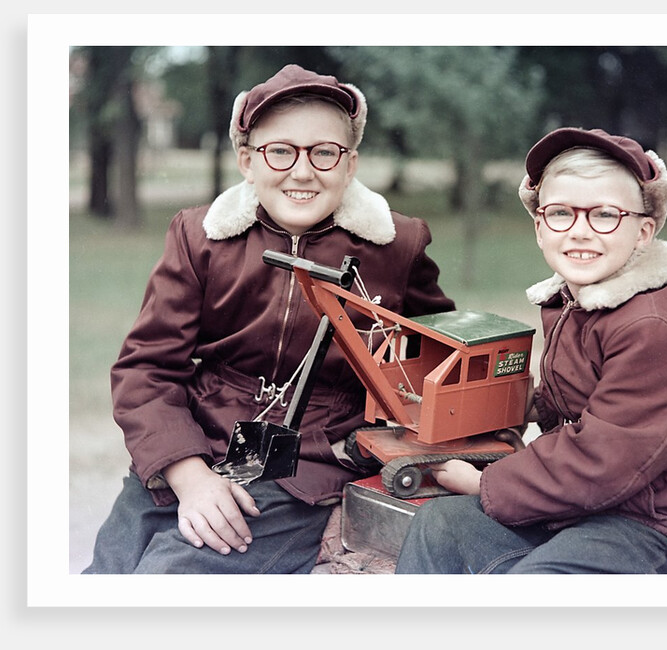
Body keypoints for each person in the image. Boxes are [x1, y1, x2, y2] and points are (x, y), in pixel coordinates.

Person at [83, 64, 455, 574]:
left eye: (324, 152)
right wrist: (187, 473)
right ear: (247, 161)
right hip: (195, 438)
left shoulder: (396, 245)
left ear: (350, 165)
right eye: (280, 151)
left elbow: (441, 355)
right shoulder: (200, 237)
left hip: (307, 463)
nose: (302, 172)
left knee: (169, 575)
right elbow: (146, 368)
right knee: (108, 571)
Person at [395, 127, 667, 574]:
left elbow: (604, 458)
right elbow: (576, 392)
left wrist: (484, 482)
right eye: (560, 214)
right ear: (539, 228)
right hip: (581, 502)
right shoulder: (579, 299)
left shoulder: (651, 328)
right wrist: (516, 405)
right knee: (439, 525)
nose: (580, 232)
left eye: (605, 215)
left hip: (647, 518)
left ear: (643, 231)